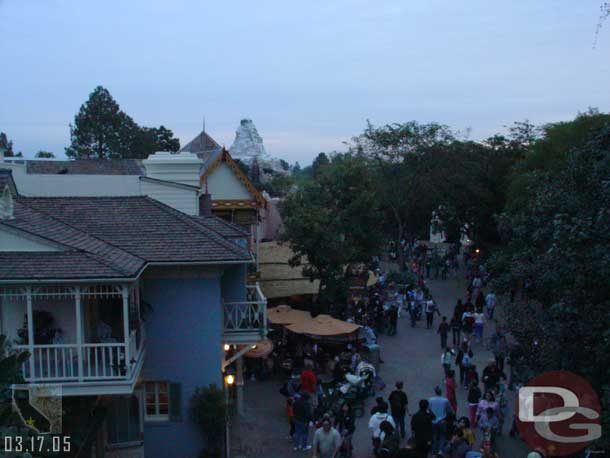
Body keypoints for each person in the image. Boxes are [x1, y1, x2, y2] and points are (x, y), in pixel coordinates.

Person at [428, 386, 453, 455]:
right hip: (442, 421)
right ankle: (440, 451)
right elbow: (450, 410)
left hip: (433, 421)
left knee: (434, 436)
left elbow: (428, 409)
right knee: (442, 436)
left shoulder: (431, 400)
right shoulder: (445, 400)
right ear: (441, 392)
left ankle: (433, 452)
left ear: (435, 392)